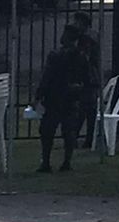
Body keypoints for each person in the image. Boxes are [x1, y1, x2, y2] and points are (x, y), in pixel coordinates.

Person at [34, 25, 91, 173]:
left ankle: (47, 162)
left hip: (55, 96)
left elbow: (47, 77)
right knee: (68, 131)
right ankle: (66, 161)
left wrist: (39, 95)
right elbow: (88, 78)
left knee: (48, 131)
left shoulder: (56, 55)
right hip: (69, 97)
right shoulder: (81, 56)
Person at [71, 12, 102, 149]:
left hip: (88, 77)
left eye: (77, 22)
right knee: (88, 110)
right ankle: (87, 138)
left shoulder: (86, 38)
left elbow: (84, 57)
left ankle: (78, 137)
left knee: (84, 109)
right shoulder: (91, 35)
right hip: (92, 76)